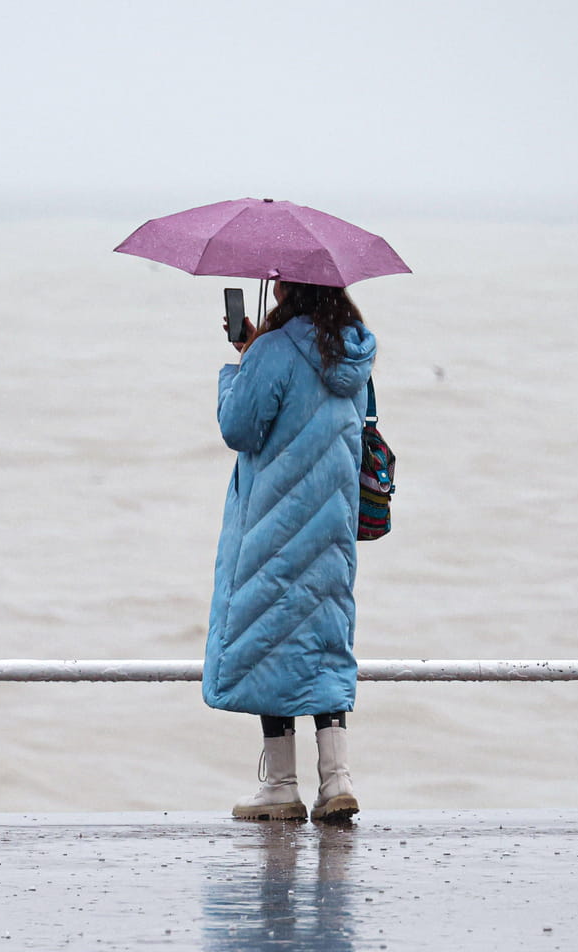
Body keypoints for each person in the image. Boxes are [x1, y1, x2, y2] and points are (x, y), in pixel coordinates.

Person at [205, 279, 375, 822]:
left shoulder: (275, 350)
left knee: (270, 639)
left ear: (289, 288)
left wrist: (240, 365)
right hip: (331, 526)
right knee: (323, 640)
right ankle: (337, 780)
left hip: (275, 524)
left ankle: (280, 784)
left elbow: (240, 428)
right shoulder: (354, 347)